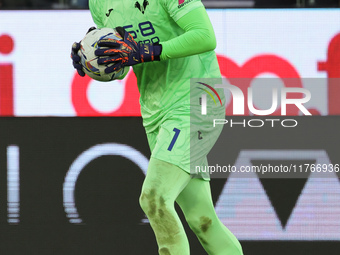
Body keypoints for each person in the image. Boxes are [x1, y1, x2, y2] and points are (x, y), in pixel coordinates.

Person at [71, 0, 243, 254]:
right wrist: (93, 60)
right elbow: (123, 60)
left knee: (154, 198)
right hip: (155, 112)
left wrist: (147, 51)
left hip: (196, 101)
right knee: (201, 219)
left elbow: (205, 36)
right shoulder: (98, 3)